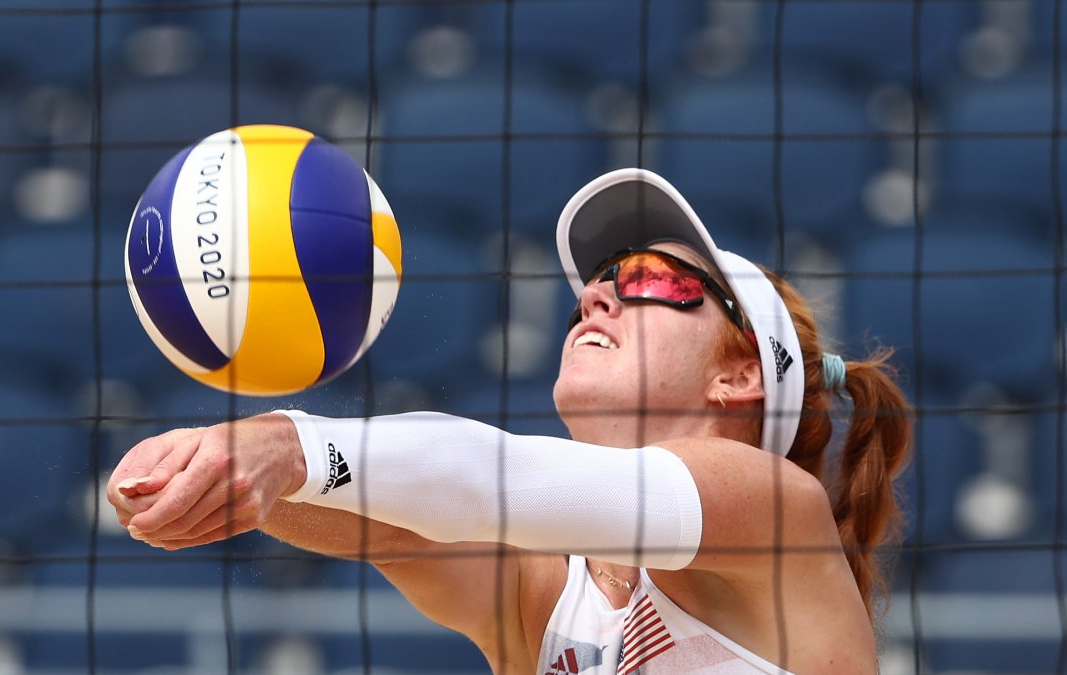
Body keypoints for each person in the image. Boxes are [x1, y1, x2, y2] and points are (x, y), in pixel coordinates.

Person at [108, 168, 911, 674]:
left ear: (740, 374)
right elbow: (380, 517)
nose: (597, 294)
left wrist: (284, 443)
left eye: (649, 278)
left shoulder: (774, 510)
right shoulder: (547, 597)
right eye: (597, 280)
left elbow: (484, 477)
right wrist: (207, 464)